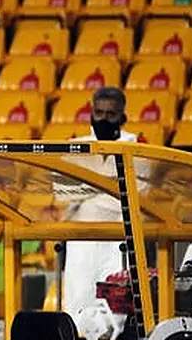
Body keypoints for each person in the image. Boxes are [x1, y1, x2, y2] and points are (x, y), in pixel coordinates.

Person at [60, 87, 141, 314]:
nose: (104, 119)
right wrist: (109, 186)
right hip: (81, 243)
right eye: (99, 113)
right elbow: (63, 194)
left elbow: (135, 196)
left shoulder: (137, 149)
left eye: (111, 114)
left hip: (119, 242)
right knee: (77, 308)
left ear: (122, 117)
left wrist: (87, 189)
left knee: (116, 311)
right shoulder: (74, 148)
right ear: (91, 114)